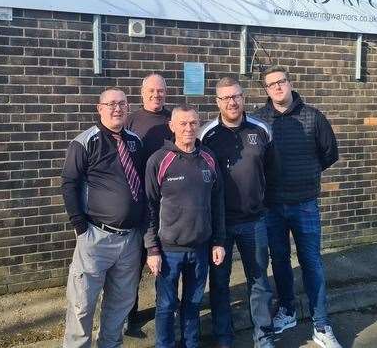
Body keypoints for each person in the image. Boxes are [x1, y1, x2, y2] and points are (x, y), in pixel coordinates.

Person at [253, 66, 341, 348]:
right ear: (266, 90)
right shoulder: (259, 120)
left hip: (305, 204)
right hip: (272, 207)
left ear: (290, 84)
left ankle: (321, 324)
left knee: (311, 263)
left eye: (281, 82)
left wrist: (308, 173)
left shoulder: (313, 117)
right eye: (271, 84)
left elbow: (330, 153)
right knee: (279, 261)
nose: (277, 87)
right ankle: (287, 310)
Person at [61, 87, 146, 348]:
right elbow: (69, 183)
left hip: (130, 240)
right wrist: (79, 226)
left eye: (122, 103)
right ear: (100, 108)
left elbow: (140, 183)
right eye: (111, 104)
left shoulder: (134, 141)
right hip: (96, 238)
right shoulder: (85, 141)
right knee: (82, 305)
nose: (117, 108)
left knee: (120, 304)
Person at [200, 77, 276, 348]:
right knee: (219, 284)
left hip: (254, 221)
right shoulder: (206, 134)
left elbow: (271, 170)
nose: (231, 102)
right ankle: (224, 339)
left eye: (236, 96)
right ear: (217, 101)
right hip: (220, 225)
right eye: (225, 98)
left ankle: (264, 337)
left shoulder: (262, 129)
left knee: (259, 281)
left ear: (243, 97)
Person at [144, 104, 226, 348]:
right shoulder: (159, 160)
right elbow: (148, 207)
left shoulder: (209, 158)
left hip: (201, 247)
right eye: (183, 123)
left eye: (193, 123)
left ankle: (191, 344)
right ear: (172, 126)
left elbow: (218, 202)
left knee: (193, 304)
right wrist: (152, 249)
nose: (188, 128)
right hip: (169, 250)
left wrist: (218, 241)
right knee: (167, 306)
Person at [124, 73, 173, 335]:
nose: (157, 95)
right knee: (132, 265)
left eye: (161, 91)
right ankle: (127, 315)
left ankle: (165, 311)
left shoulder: (173, 121)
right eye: (152, 91)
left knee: (164, 263)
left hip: (168, 206)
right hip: (138, 203)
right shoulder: (131, 121)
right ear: (142, 93)